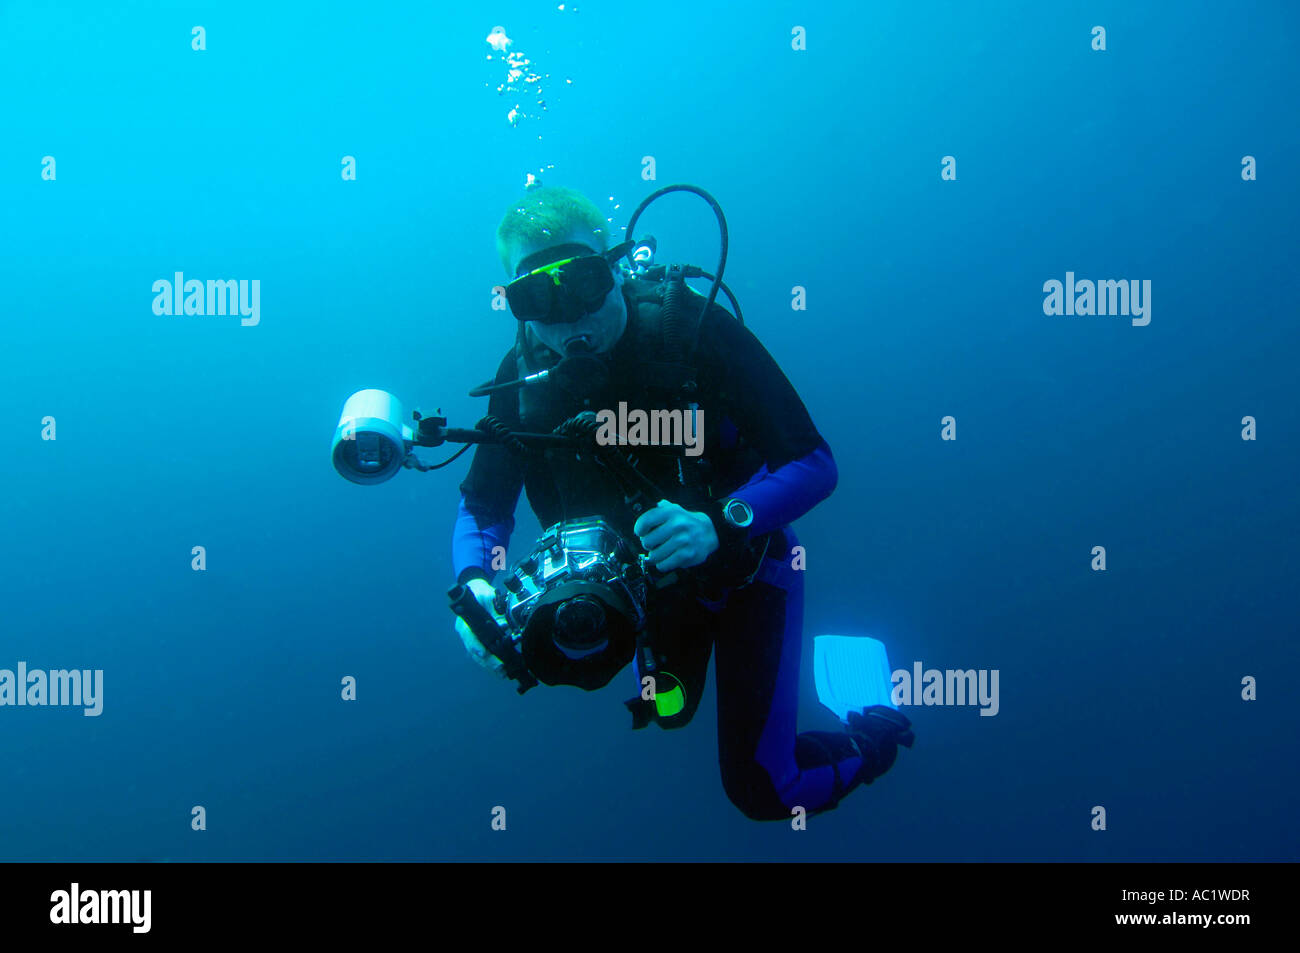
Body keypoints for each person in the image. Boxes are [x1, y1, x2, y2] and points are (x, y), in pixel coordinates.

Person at [451, 185, 913, 820]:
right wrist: (476, 584)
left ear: (613, 266)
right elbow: (484, 508)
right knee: (670, 713)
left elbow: (813, 462)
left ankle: (877, 729)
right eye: (536, 299)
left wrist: (718, 525)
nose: (568, 320)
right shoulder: (525, 380)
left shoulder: (687, 330)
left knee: (763, 790)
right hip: (644, 594)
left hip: (745, 570)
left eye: (583, 283)